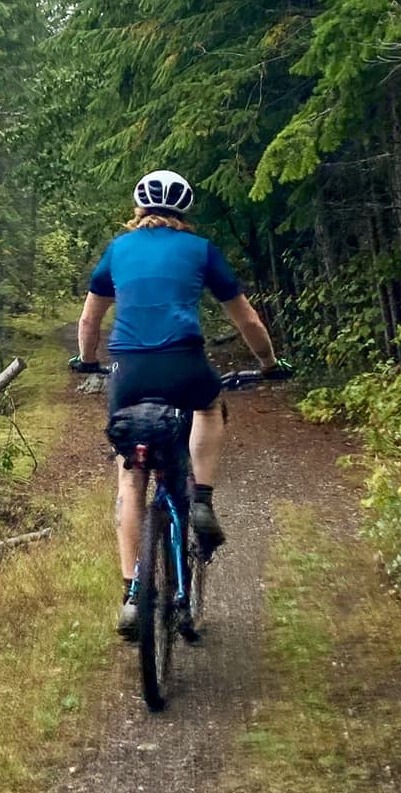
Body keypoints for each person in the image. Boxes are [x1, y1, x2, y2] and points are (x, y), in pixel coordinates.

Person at [68, 169, 286, 639]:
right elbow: (247, 320)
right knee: (207, 406)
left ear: (139, 208)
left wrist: (87, 362)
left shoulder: (117, 250)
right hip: (185, 364)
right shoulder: (201, 250)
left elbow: (89, 321)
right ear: (184, 212)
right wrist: (269, 363)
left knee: (131, 478)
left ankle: (132, 594)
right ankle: (202, 498)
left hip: (128, 372)